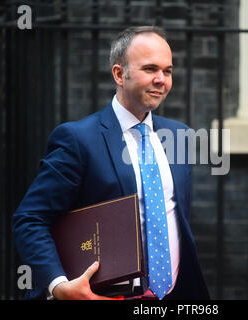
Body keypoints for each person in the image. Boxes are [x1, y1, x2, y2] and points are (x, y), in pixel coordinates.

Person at [13, 26, 210, 300]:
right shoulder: (77, 139)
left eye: (168, 71)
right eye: (150, 69)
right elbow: (30, 218)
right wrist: (59, 286)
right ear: (119, 74)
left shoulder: (179, 135)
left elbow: (175, 219)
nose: (161, 80)